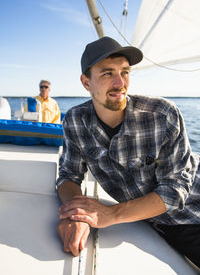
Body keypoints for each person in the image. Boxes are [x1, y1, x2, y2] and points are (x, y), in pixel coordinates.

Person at [57, 36, 200, 267]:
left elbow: (175, 190)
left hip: (191, 211)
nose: (119, 83)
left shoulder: (162, 114)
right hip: (154, 223)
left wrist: (110, 215)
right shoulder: (75, 121)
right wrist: (79, 215)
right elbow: (68, 176)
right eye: (107, 73)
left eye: (124, 72)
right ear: (86, 82)